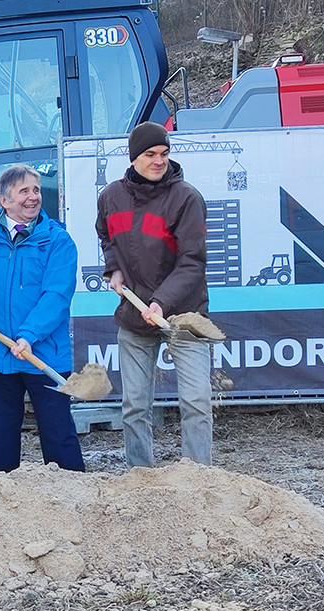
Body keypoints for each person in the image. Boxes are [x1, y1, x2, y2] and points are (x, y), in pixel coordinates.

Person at [0, 165, 85, 476]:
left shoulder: (57, 241)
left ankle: (74, 495)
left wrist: (28, 335)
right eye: (24, 191)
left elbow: (57, 296)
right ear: (3, 200)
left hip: (43, 353)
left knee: (58, 434)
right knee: (2, 437)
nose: (33, 197)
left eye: (36, 190)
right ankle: (3, 500)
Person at [97, 122, 212, 467]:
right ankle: (140, 475)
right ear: (134, 158)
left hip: (184, 316)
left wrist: (161, 301)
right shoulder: (111, 198)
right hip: (135, 317)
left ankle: (198, 477)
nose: (159, 161)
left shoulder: (186, 198)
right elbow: (107, 237)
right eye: (150, 154)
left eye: (164, 154)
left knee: (196, 402)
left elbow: (193, 262)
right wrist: (113, 269)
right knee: (134, 405)